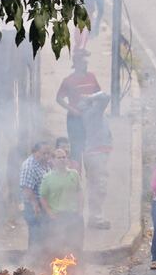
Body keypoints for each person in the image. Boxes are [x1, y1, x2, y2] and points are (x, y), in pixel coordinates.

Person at [56, 50, 101, 163]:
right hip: (75, 119)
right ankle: (76, 175)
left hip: (90, 119)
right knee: (76, 149)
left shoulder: (91, 77)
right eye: (83, 61)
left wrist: (95, 109)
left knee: (89, 148)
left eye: (86, 61)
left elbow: (99, 95)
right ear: (76, 64)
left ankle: (90, 176)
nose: (86, 63)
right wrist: (72, 110)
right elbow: (59, 98)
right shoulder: (68, 80)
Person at [39, 148, 84, 257]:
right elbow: (42, 197)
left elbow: (80, 192)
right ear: (53, 160)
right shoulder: (47, 178)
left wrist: (80, 210)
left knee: (75, 246)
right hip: (57, 217)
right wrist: (50, 213)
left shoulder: (74, 174)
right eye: (59, 158)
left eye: (64, 157)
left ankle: (77, 271)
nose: (62, 160)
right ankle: (58, 270)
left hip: (73, 216)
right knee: (57, 247)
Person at [81, 91, 112, 229]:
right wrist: (91, 96)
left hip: (94, 153)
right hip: (96, 154)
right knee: (99, 186)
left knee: (94, 186)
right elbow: (106, 96)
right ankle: (96, 218)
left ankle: (94, 217)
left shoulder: (91, 113)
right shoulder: (94, 112)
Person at [19, 141, 52, 257]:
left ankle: (43, 260)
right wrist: (35, 205)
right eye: (44, 153)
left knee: (45, 235)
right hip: (33, 207)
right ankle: (32, 262)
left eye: (48, 153)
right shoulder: (29, 166)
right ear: (35, 152)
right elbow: (26, 189)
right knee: (36, 235)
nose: (47, 156)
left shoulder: (45, 163)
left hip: (44, 206)